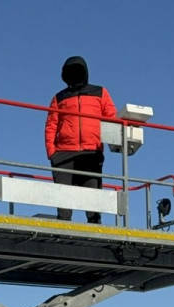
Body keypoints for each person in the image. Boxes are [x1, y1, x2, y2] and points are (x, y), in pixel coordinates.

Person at [45, 56, 116, 223]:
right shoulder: (59, 97)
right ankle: (63, 231)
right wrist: (52, 153)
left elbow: (111, 119)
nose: (75, 74)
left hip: (91, 153)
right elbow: (51, 125)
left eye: (77, 70)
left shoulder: (100, 92)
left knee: (93, 201)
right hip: (64, 153)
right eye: (71, 71)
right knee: (63, 204)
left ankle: (95, 231)